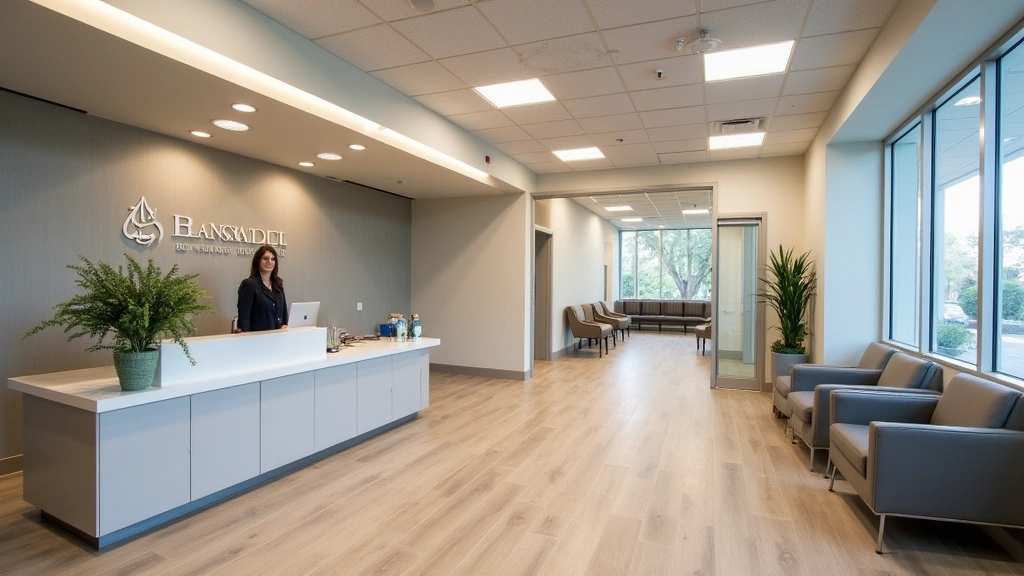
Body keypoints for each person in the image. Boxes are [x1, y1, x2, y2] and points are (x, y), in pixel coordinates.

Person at [236, 245, 288, 332]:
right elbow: (244, 317)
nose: (269, 261)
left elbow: (284, 313)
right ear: (258, 261)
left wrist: (284, 326)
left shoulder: (278, 285)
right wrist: (244, 339)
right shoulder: (249, 284)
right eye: (265, 258)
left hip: (278, 338)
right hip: (257, 339)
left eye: (273, 259)